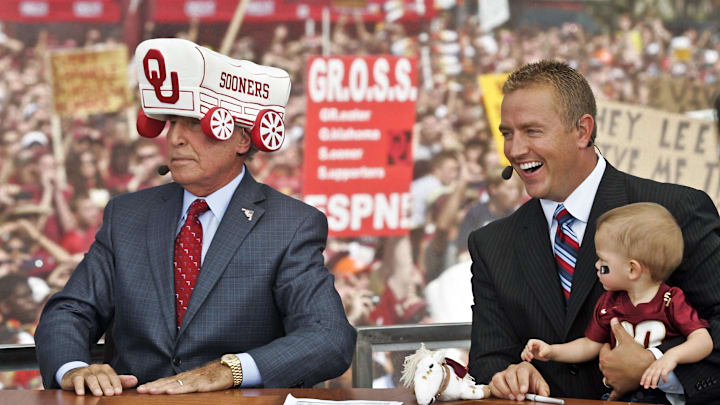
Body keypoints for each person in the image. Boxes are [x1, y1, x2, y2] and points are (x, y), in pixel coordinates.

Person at [35, 39, 356, 397]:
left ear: (242, 139)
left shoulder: (291, 224)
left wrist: (229, 370)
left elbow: (329, 337)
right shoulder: (126, 215)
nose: (175, 138)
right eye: (171, 122)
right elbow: (70, 311)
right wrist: (74, 368)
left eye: (194, 123)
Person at [467, 60, 720, 404]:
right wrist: (508, 375)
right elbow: (489, 359)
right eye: (507, 134)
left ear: (583, 131)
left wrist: (659, 368)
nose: (514, 150)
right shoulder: (490, 244)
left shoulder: (678, 211)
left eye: (532, 131)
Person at [521, 203, 713, 403]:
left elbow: (703, 341)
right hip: (621, 396)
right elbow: (590, 345)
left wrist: (671, 357)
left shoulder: (670, 300)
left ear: (632, 269)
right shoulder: (609, 303)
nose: (596, 266)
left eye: (604, 264)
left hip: (662, 397)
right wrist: (552, 351)